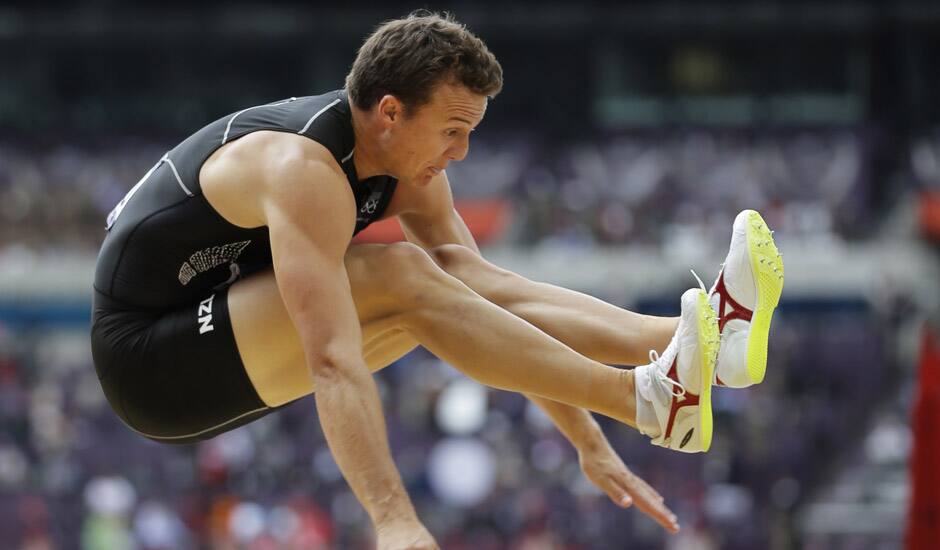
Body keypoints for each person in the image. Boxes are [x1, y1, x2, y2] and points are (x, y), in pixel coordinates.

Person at [90, 11, 784, 549]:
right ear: (390, 113)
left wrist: (586, 440)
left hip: (223, 325)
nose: (463, 152)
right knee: (395, 273)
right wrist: (392, 520)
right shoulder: (303, 172)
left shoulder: (401, 169)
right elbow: (332, 361)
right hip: (148, 359)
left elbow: (483, 304)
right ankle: (648, 398)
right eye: (453, 130)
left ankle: (691, 347)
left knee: (443, 281)